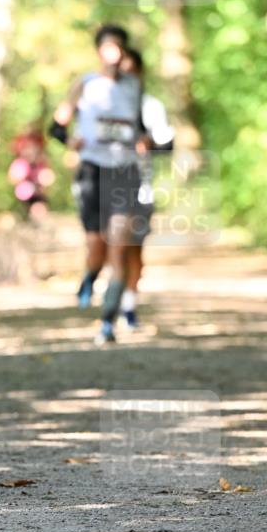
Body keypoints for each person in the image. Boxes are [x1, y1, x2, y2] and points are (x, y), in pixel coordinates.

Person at [50, 24, 147, 345]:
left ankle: (107, 322)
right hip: (92, 170)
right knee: (97, 249)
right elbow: (56, 126)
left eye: (119, 47)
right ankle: (90, 276)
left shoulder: (134, 85)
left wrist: (145, 138)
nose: (114, 53)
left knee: (119, 248)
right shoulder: (85, 84)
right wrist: (70, 141)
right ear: (99, 52)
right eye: (108, 47)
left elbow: (138, 125)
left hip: (125, 172)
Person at [119, 47, 174, 327]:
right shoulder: (101, 105)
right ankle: (114, 301)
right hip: (104, 187)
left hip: (140, 189)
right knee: (113, 247)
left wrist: (149, 143)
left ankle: (128, 306)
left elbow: (168, 145)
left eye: (132, 72)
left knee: (133, 249)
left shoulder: (152, 106)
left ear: (140, 74)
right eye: (122, 73)